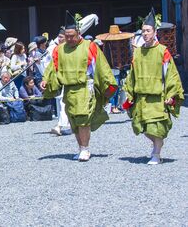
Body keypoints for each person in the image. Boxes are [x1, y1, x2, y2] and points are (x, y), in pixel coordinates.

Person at [40, 12, 117, 161]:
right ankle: (81, 147)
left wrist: (106, 86)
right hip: (68, 89)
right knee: (73, 120)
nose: (69, 39)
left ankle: (85, 149)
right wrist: (46, 80)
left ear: (79, 33)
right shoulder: (60, 49)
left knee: (83, 118)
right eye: (66, 36)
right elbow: (53, 67)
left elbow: (100, 67)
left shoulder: (90, 46)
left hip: (84, 87)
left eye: (71, 36)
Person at [123, 9, 184, 165]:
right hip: (141, 96)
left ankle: (156, 153)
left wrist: (171, 93)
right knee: (141, 126)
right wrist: (129, 93)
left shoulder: (162, 51)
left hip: (157, 96)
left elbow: (170, 73)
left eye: (148, 31)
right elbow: (132, 75)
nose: (145, 34)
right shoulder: (137, 53)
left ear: (154, 32)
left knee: (155, 127)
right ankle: (158, 144)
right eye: (143, 31)